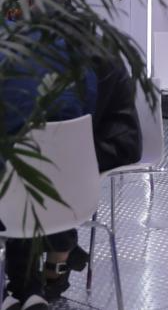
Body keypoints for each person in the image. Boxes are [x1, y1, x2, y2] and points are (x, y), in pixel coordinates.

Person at [4, 50, 142, 309]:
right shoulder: (94, 49)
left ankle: (26, 286)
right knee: (30, 176)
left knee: (22, 177)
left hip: (68, 172)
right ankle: (52, 265)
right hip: (76, 188)